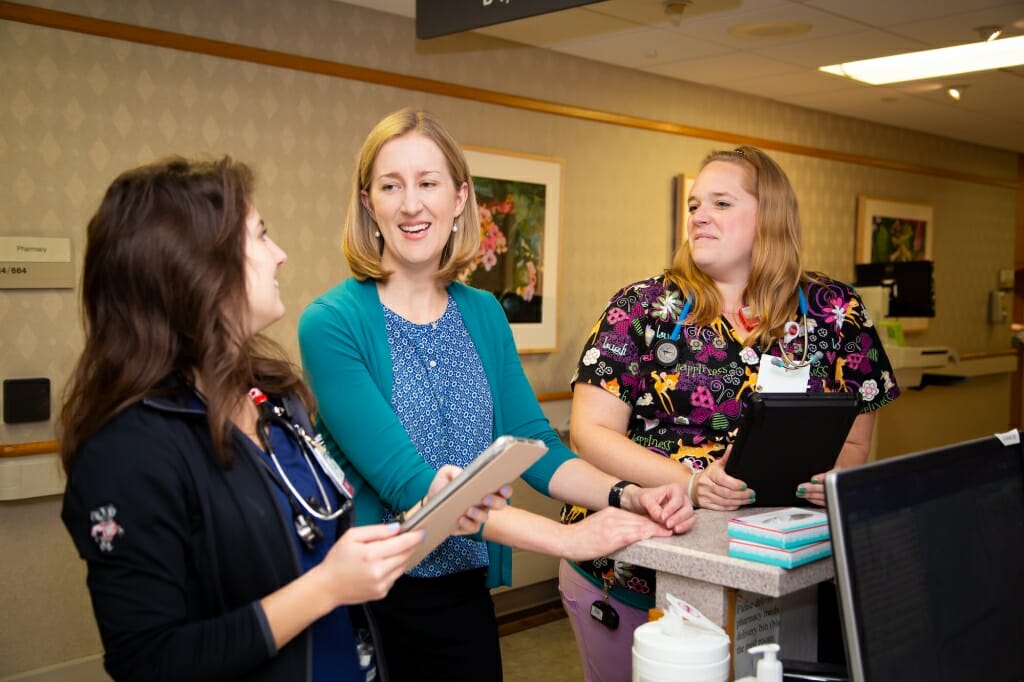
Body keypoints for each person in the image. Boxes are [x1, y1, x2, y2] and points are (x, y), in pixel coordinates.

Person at [59, 156, 505, 682]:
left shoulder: (275, 398)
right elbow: (149, 660)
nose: (280, 255)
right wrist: (327, 588)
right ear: (196, 267)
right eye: (261, 236)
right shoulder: (129, 452)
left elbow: (312, 541)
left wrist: (433, 511)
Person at [297, 108, 697, 682]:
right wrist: (568, 538)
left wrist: (625, 495)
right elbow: (419, 490)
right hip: (372, 601)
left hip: (463, 593)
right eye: (392, 186)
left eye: (428, 183)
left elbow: (536, 446)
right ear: (369, 204)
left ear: (460, 198)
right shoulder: (332, 323)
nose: (412, 204)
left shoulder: (482, 311)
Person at [561, 145, 901, 681]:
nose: (699, 215)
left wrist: (834, 477)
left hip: (784, 571)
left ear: (771, 217)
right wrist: (691, 483)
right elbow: (590, 433)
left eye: (721, 203)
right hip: (636, 568)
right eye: (695, 204)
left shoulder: (835, 313)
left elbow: (856, 443)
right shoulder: (643, 307)